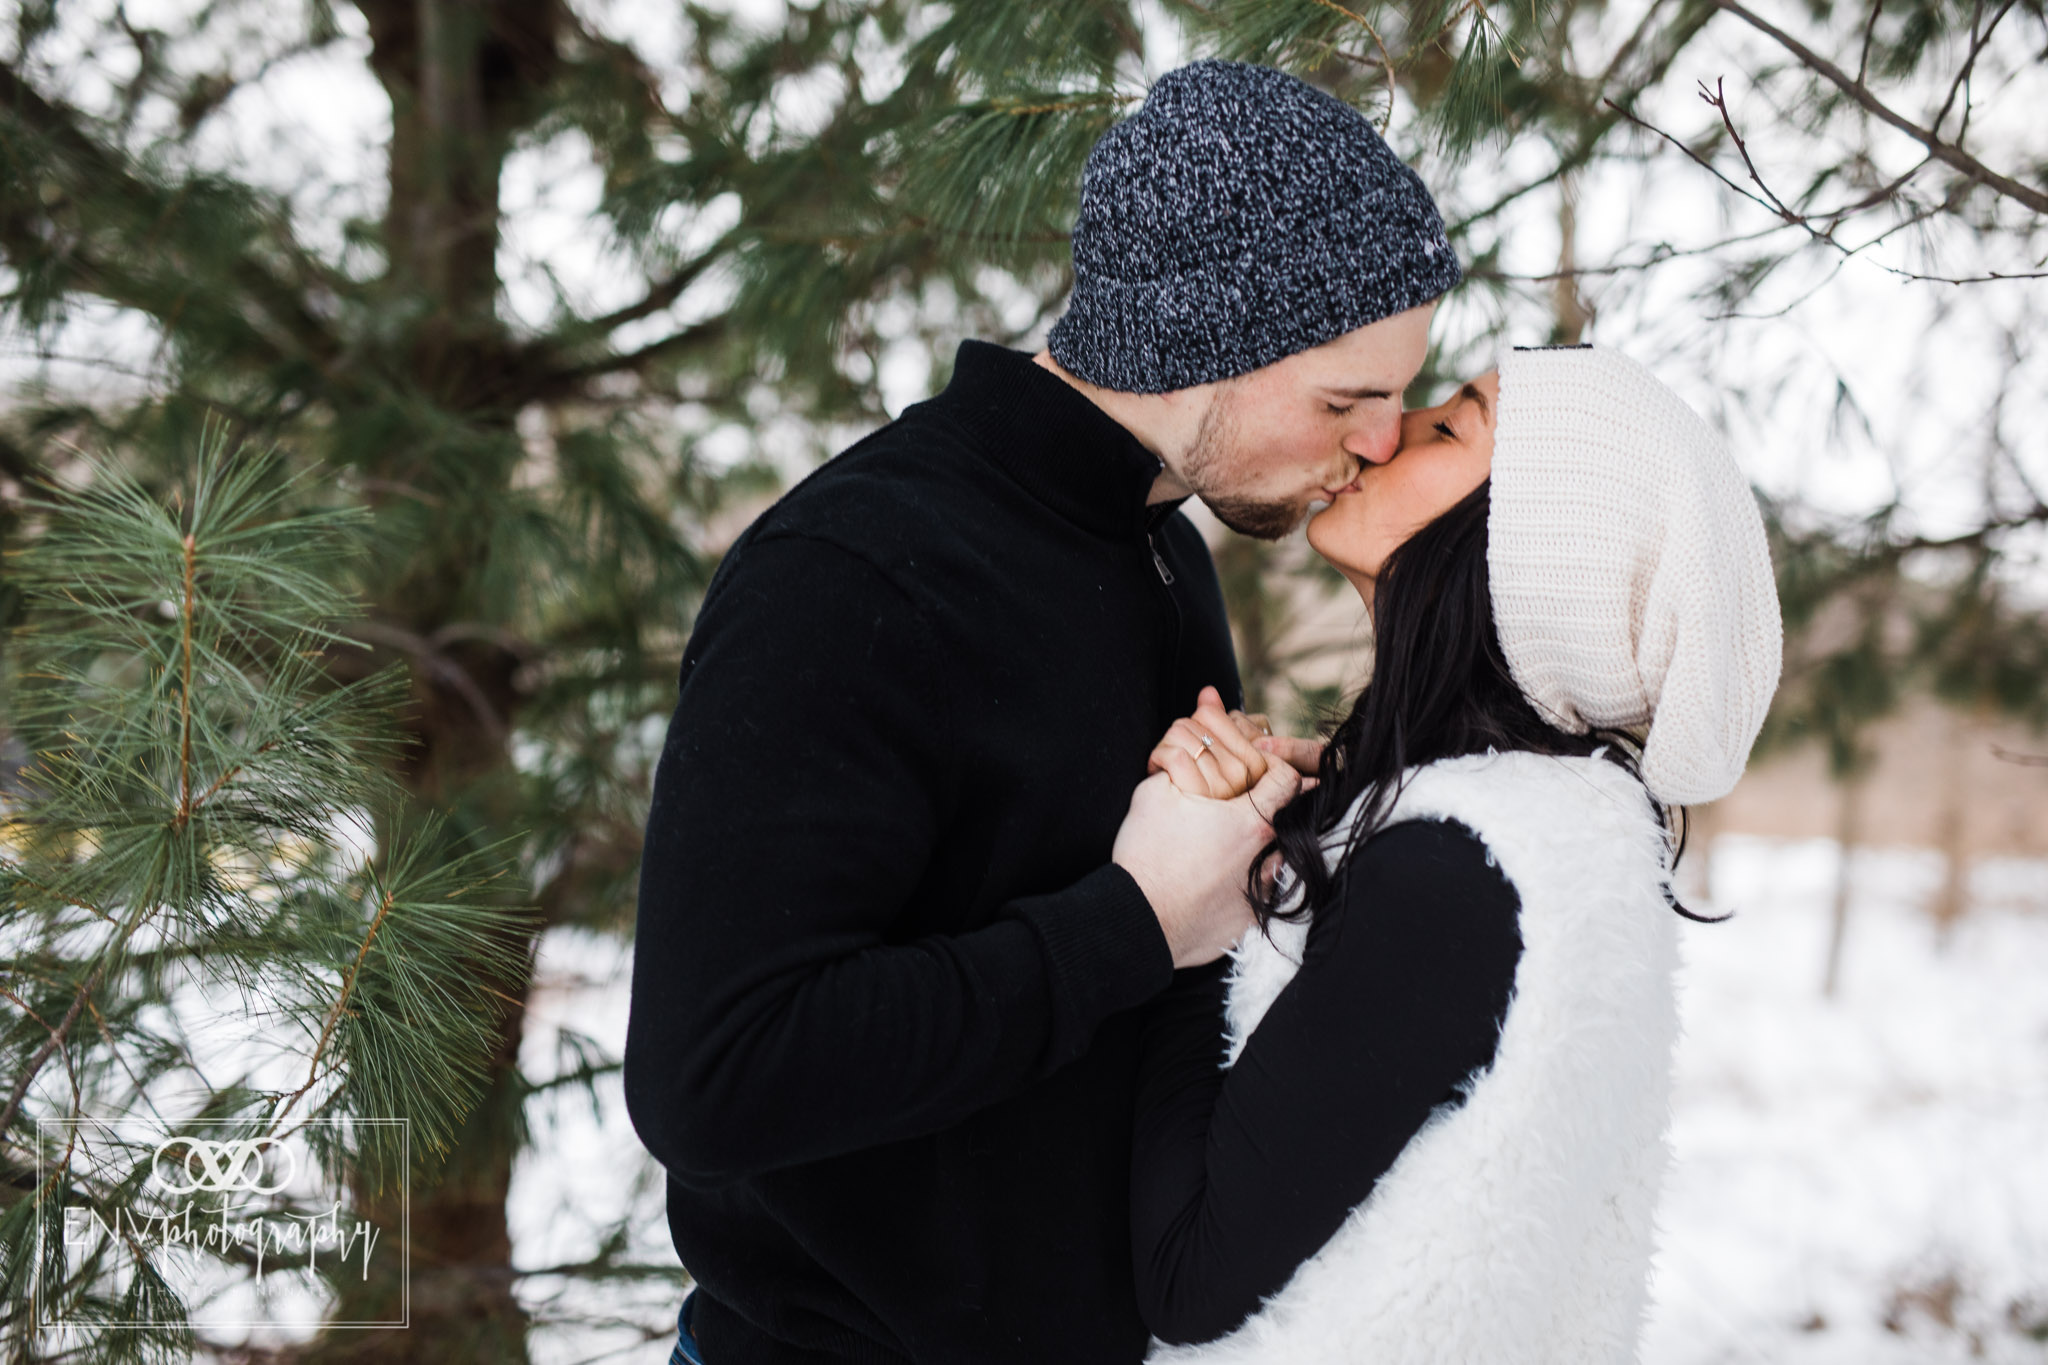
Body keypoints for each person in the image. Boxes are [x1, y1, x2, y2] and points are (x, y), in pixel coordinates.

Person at [624, 61, 1458, 1365]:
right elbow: (715, 1077)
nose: (1378, 441)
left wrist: (1255, 834)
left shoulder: (1162, 554)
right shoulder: (854, 575)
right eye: (1345, 398)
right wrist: (1129, 923)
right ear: (1203, 341)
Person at [1126, 346, 1783, 1363]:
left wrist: (1182, 915)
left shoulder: (1452, 878)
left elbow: (1187, 1278)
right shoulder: (1548, 843)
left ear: (1522, 555)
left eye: (1447, 427)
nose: (1387, 430)